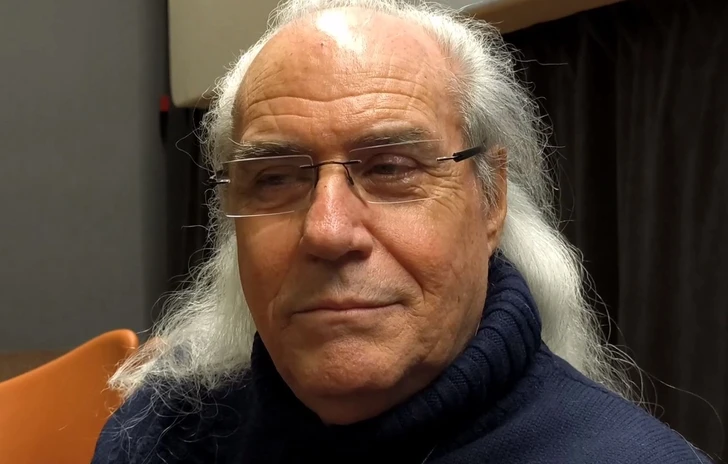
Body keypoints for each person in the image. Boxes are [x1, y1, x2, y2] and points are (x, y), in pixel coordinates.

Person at [92, 0, 710, 462]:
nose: (328, 230)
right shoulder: (165, 432)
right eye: (275, 179)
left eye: (390, 169)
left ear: (490, 200)